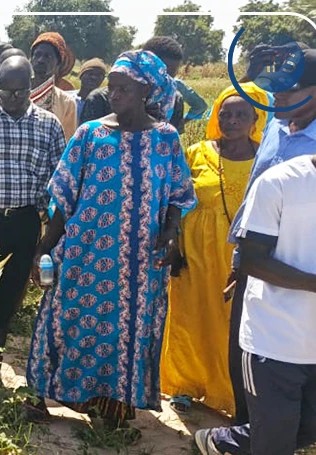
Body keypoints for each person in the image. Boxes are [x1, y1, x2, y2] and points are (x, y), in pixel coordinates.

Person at [23, 50, 196, 430]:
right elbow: (64, 196)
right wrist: (44, 247)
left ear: (147, 91)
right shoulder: (91, 134)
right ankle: (41, 394)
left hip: (139, 262)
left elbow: (178, 197)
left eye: (124, 89)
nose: (114, 95)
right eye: (112, 87)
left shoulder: (165, 140)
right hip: (84, 253)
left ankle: (114, 405)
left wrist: (171, 233)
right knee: (63, 317)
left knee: (125, 330)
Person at [193, 138, 316, 455]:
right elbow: (252, 261)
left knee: (313, 426)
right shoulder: (280, 182)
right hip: (275, 340)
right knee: (274, 453)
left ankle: (222, 440)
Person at [221, 48, 316, 455]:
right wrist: (240, 259)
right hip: (262, 271)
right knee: (245, 367)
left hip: (309, 298)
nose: (278, 98)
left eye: (290, 90)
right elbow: (258, 193)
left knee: (303, 403)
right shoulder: (279, 127)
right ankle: (251, 452)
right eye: (276, 89)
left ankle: (248, 446)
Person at [159, 84, 267, 416]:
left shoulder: (265, 159)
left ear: (256, 119)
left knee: (230, 323)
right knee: (188, 316)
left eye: (241, 115)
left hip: (236, 255)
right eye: (226, 113)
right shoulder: (196, 152)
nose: (231, 120)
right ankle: (184, 386)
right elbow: (173, 199)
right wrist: (173, 243)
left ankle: (228, 391)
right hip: (193, 251)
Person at [0, 56, 65, 355]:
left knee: (10, 293)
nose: (13, 98)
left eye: (20, 91)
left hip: (23, 222)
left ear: (30, 88)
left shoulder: (49, 125)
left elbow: (57, 181)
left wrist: (50, 230)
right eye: (6, 90)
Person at [141, 36, 207, 128]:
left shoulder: (176, 99)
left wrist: (180, 123)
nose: (167, 81)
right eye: (162, 73)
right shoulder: (121, 90)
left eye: (171, 75)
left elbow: (200, 106)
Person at [29, 32, 77, 138]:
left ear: (58, 63)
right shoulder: (16, 92)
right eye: (37, 55)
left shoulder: (67, 103)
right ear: (31, 59)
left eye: (48, 56)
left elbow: (66, 140)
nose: (41, 60)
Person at [77, 58, 111, 124]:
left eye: (99, 75)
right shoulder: (66, 99)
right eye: (90, 73)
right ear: (81, 75)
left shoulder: (105, 104)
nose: (93, 77)